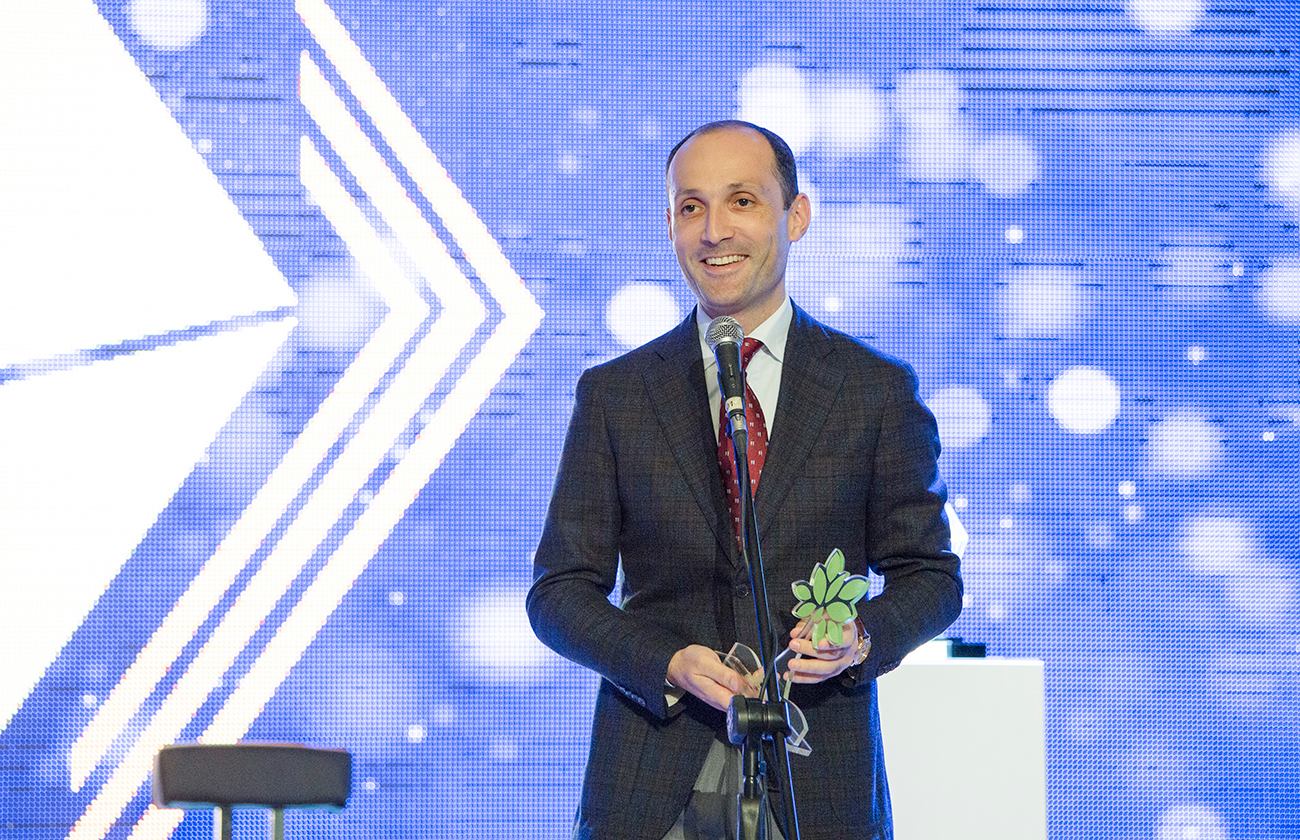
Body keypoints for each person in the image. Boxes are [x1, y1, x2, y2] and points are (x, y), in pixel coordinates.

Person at [527, 120, 962, 840]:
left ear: (796, 215)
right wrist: (667, 662)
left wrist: (858, 639)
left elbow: (931, 577)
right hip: (650, 777)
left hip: (817, 776)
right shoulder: (617, 394)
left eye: (742, 201)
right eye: (690, 207)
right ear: (670, 225)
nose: (714, 231)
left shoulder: (872, 391)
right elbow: (558, 592)